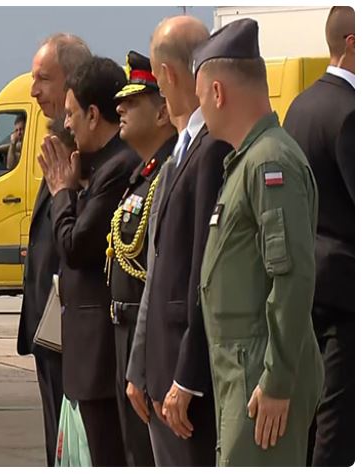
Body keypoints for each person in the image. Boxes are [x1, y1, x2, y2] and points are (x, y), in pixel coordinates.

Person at [194, 18, 324, 466]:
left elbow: (291, 274)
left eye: (200, 99)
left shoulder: (271, 162)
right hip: (245, 370)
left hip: (261, 374)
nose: (201, 113)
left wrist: (277, 380)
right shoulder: (248, 161)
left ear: (217, 92)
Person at [137, 16, 231, 466]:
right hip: (162, 371)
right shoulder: (183, 148)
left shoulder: (210, 148)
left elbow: (201, 274)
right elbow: (158, 271)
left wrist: (187, 376)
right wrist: (142, 367)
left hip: (184, 379)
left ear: (166, 75)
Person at [38, 56, 140, 466]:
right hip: (86, 361)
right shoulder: (101, 167)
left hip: (100, 361)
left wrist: (63, 190)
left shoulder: (118, 168)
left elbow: (77, 246)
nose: (67, 126)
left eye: (72, 115)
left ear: (94, 115)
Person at [282, 7, 354, 466]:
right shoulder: (350, 112)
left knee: (312, 413)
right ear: (352, 42)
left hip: (306, 279)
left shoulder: (300, 106)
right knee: (338, 421)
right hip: (345, 287)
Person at [17, 33, 92, 467]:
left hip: (72, 334)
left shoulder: (88, 154)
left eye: (44, 78)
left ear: (74, 81)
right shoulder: (57, 146)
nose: (34, 90)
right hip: (49, 333)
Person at [106, 50, 176, 467]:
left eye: (132, 102)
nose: (120, 108)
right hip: (125, 332)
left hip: (146, 334)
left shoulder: (169, 172)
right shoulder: (143, 173)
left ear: (163, 112)